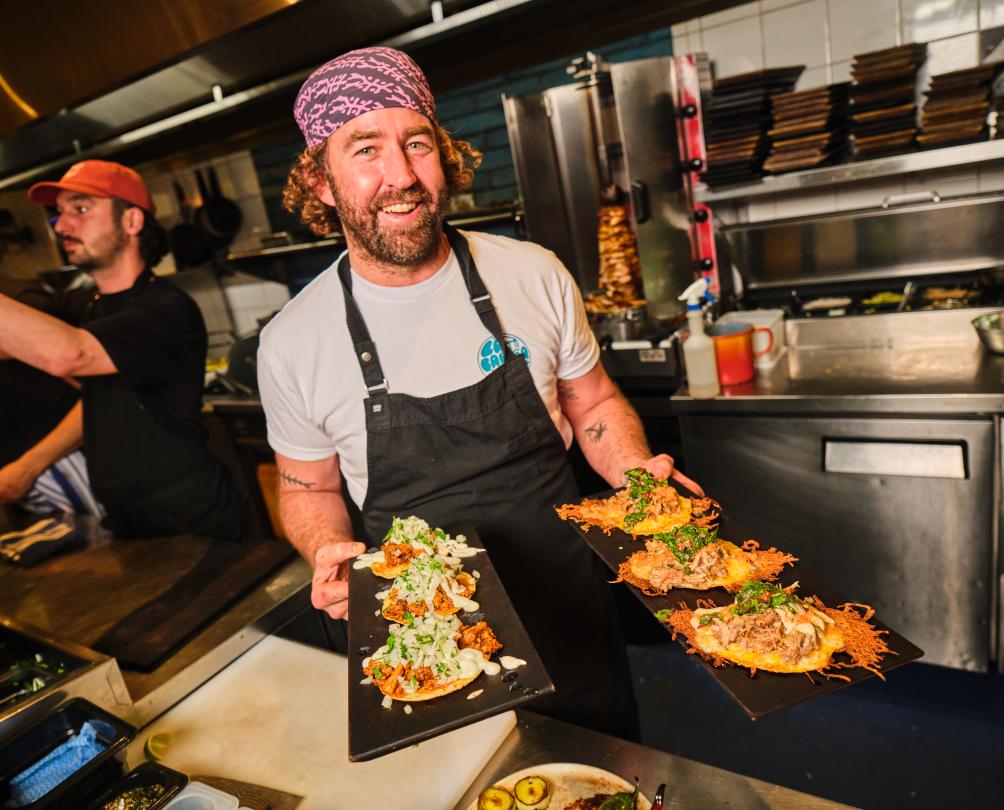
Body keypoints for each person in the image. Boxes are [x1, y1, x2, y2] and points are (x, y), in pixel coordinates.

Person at [258, 47, 703, 738]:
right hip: (425, 628)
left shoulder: (532, 273)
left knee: (602, 764)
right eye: (365, 149)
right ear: (319, 181)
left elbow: (593, 404)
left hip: (568, 600)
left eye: (416, 144)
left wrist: (636, 475)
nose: (401, 176)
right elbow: (307, 489)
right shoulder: (294, 340)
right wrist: (326, 548)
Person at [0, 160, 244, 540]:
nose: (62, 226)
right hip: (126, 523)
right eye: (59, 214)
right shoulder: (85, 306)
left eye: (80, 209)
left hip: (191, 523)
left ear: (131, 222)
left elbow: (69, 354)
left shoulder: (163, 308)